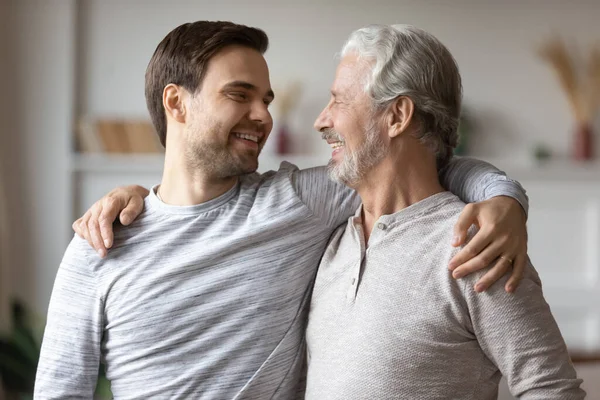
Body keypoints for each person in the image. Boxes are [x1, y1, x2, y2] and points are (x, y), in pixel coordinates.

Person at [35, 21, 529, 399]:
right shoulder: (100, 246)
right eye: (239, 95)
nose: (264, 115)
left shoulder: (297, 202)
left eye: (266, 99)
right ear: (176, 103)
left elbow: (423, 163)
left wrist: (504, 200)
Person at [304, 24, 584, 399]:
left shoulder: (475, 245)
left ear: (398, 116)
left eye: (338, 101)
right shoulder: (335, 240)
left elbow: (551, 389)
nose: (321, 120)